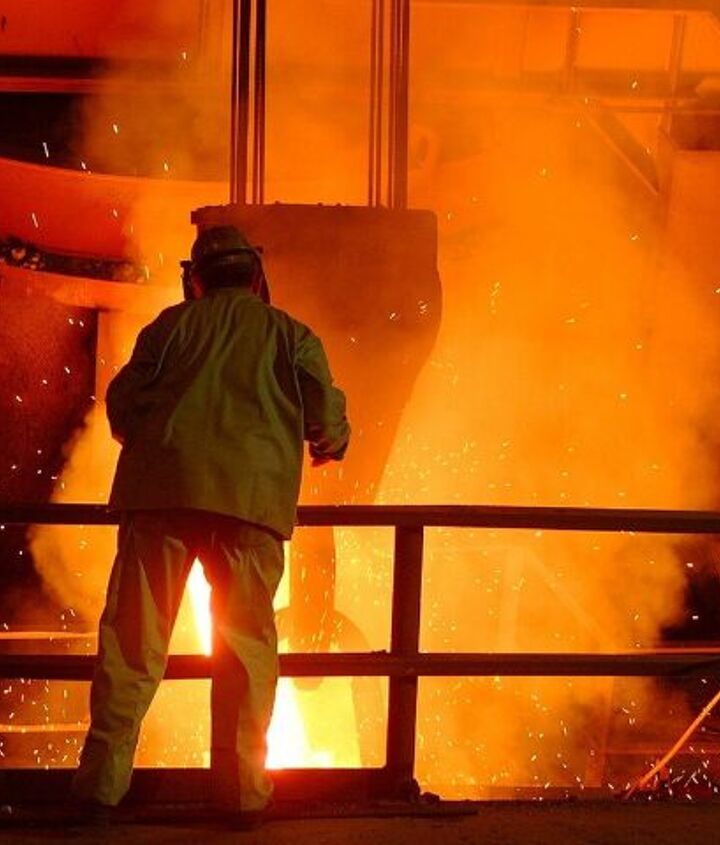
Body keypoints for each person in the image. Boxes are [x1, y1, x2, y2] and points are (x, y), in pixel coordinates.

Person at [71, 225, 350, 822]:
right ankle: (241, 796)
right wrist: (329, 442)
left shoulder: (167, 329)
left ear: (194, 279)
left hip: (159, 499)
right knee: (245, 650)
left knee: (132, 647)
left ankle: (99, 790)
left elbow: (123, 407)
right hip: (250, 505)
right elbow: (326, 419)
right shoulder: (291, 335)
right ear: (256, 276)